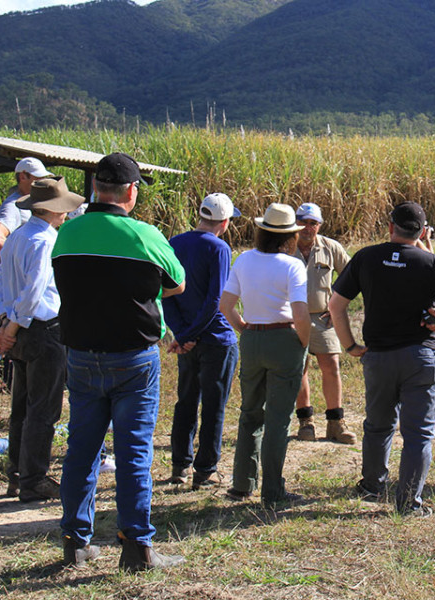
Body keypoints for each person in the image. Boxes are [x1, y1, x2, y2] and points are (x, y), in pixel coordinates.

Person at [52, 152, 187, 571]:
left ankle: (76, 541)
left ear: (95, 188)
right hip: (133, 358)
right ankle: (136, 547)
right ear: (131, 192)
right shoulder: (144, 234)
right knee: (134, 453)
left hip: (80, 354)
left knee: (82, 449)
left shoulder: (67, 234)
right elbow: (177, 284)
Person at [328, 202, 435, 515]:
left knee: (378, 424)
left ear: (390, 227)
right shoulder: (432, 263)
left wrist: (350, 346)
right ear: (423, 232)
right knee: (418, 433)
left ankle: (372, 484)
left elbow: (336, 306)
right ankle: (409, 502)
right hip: (422, 355)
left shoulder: (366, 258)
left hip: (379, 355)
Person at [0, 177, 85, 503]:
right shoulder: (46, 242)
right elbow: (33, 294)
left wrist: (6, 326)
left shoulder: (17, 237)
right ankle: (34, 480)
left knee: (22, 407)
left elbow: (2, 286)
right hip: (43, 329)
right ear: (51, 210)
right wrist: (11, 329)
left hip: (19, 328)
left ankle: (17, 474)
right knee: (44, 410)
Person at [219, 203, 311, 509]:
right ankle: (273, 490)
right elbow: (300, 313)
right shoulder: (292, 265)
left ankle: (242, 483)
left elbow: (226, 305)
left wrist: (245, 328)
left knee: (250, 412)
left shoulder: (244, 260)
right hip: (284, 338)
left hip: (252, 338)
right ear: (289, 238)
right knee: (278, 419)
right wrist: (303, 344)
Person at [163, 193, 241, 490]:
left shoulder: (174, 243)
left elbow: (166, 292)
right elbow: (216, 300)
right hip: (215, 339)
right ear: (224, 221)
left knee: (185, 401)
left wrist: (181, 334)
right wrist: (193, 333)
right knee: (213, 405)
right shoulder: (219, 248)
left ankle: (179, 466)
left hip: (187, 339)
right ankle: (205, 469)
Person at [291, 202, 356, 444]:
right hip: (291, 318)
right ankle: (305, 422)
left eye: (313, 223)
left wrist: (337, 305)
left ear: (319, 225)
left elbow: (352, 276)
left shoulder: (330, 247)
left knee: (331, 366)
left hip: (322, 317)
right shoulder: (284, 247)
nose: (307, 228)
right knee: (300, 369)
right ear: (294, 222)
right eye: (303, 222)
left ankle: (335, 423)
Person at [0, 157, 53, 254]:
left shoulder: (28, 201)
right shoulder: (14, 205)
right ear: (23, 177)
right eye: (38, 178)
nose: (42, 182)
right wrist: (17, 264)